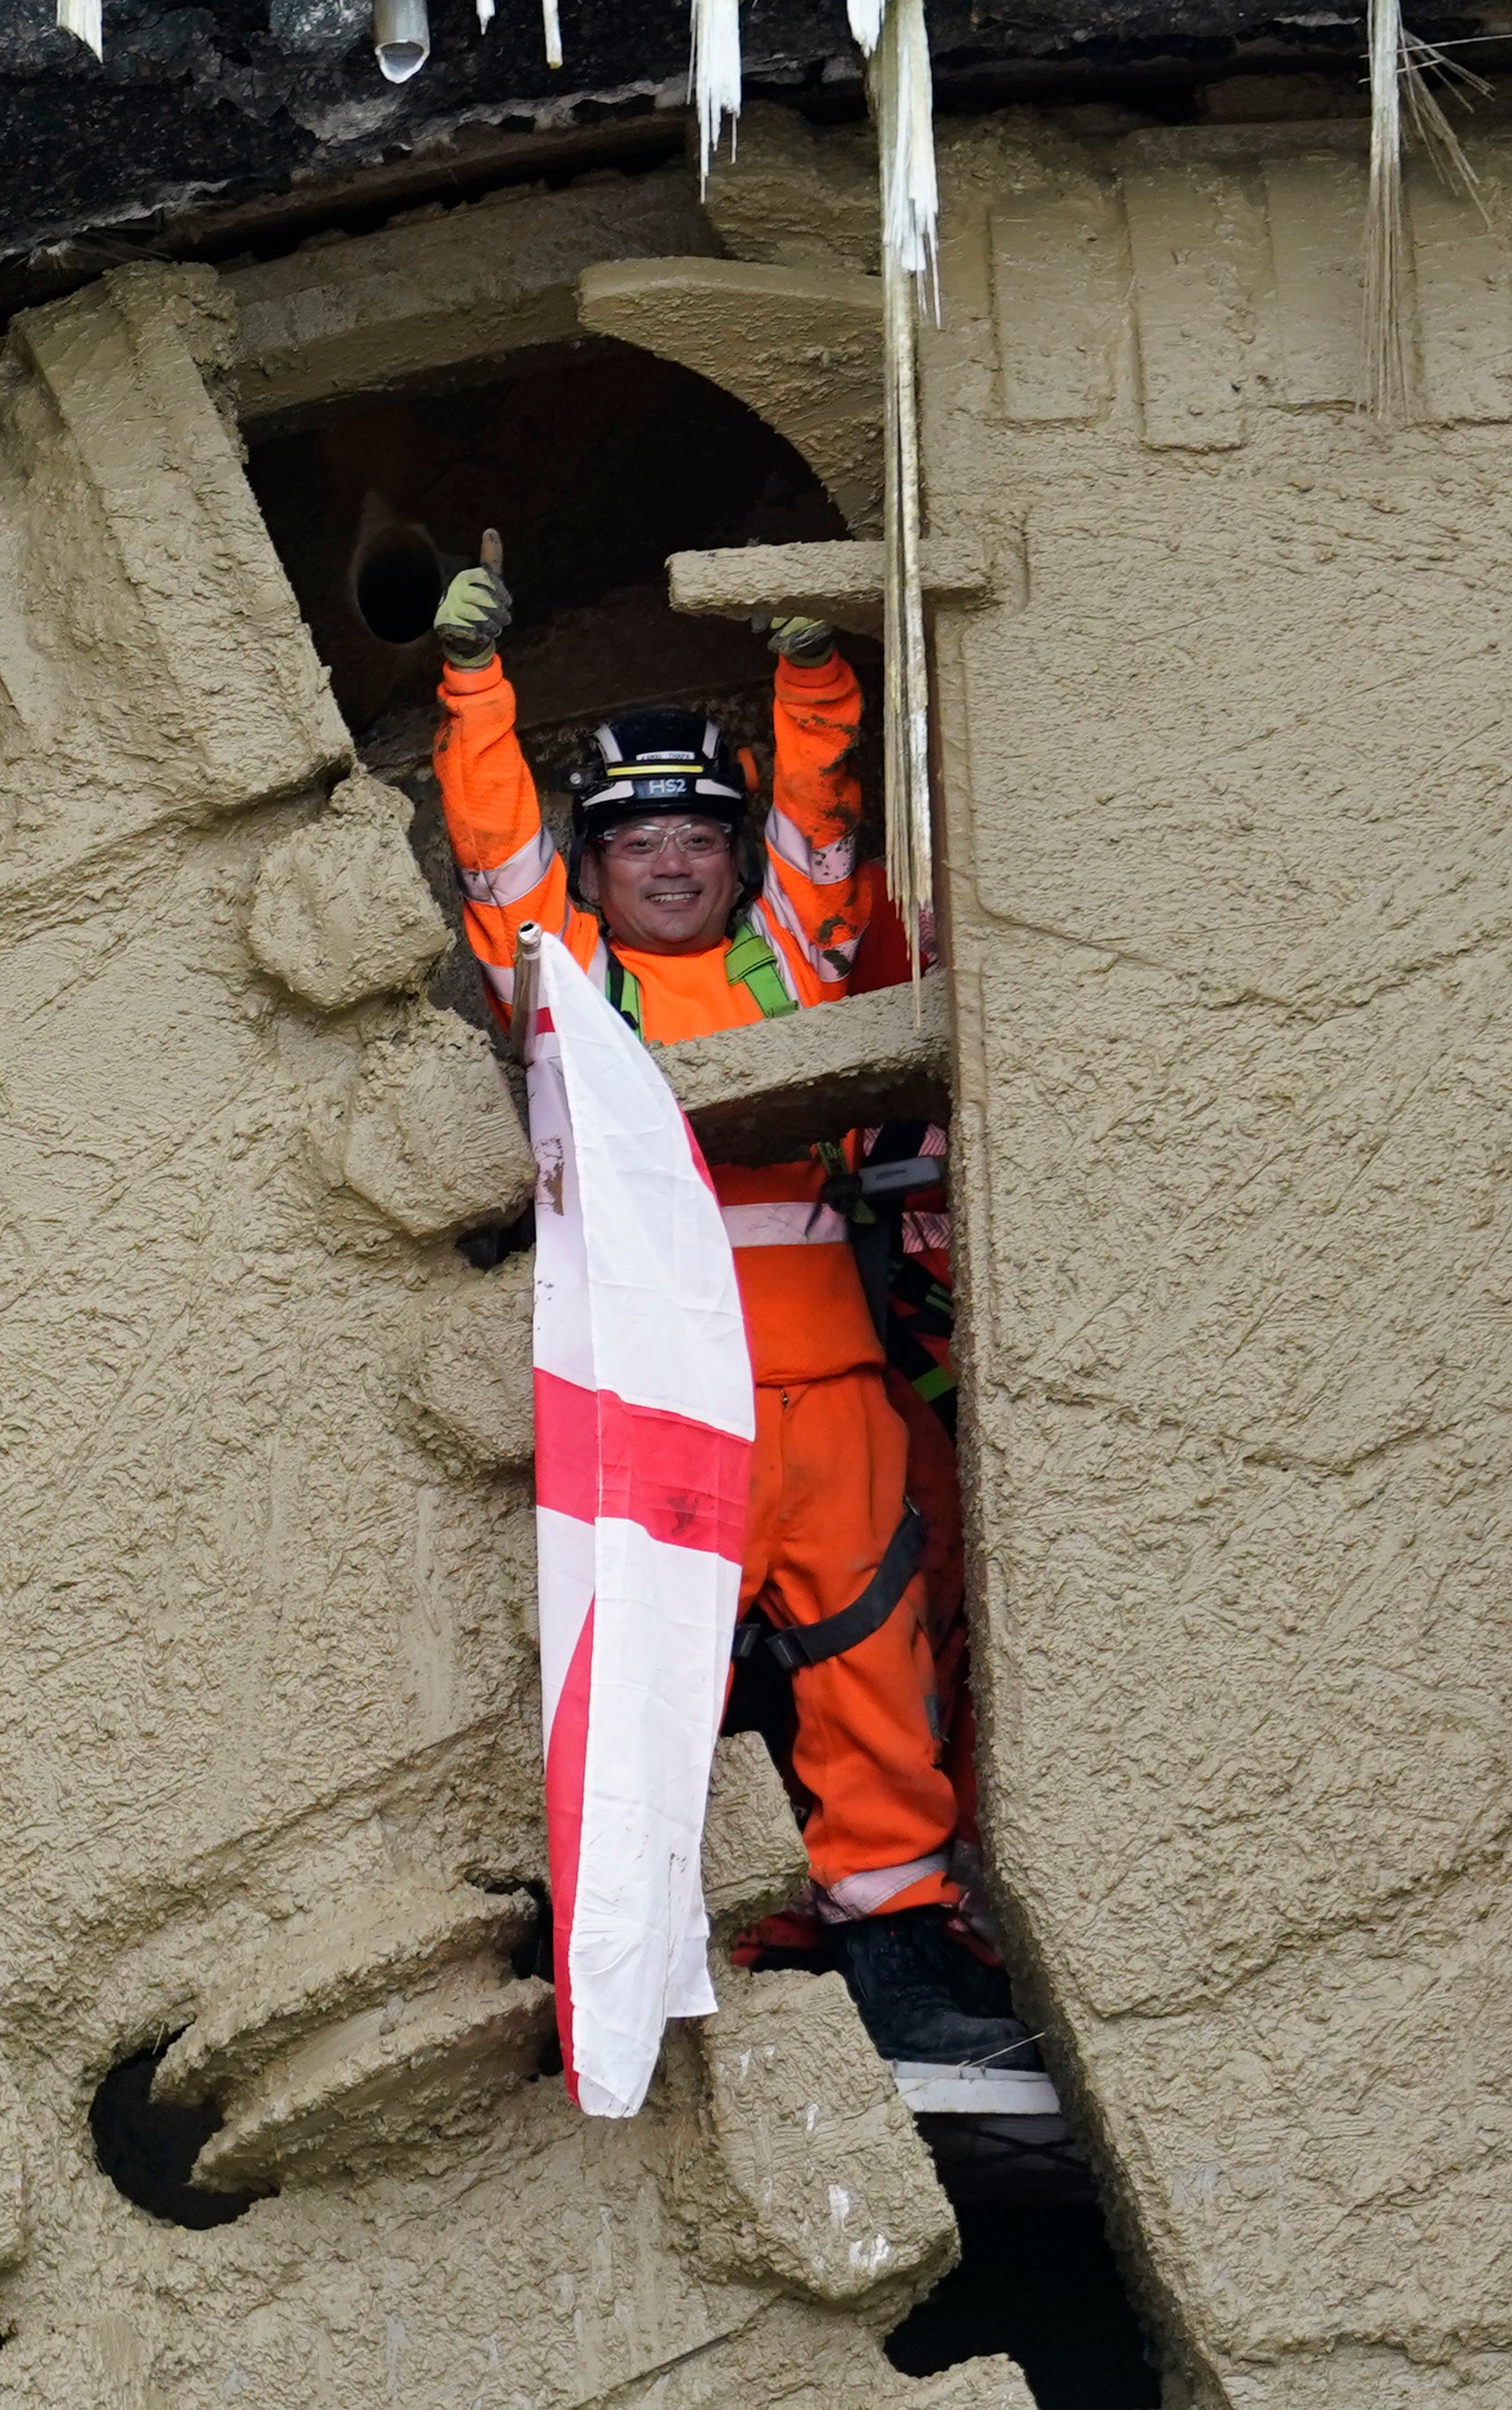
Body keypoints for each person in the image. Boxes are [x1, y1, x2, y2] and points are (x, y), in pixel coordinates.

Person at [424, 550, 1020, 2068]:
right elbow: (494, 853)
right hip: (656, 1414)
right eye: (639, 837)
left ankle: (897, 1956)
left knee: (875, 1677)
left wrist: (811, 679)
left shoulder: (798, 955)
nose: (673, 858)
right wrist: (474, 691)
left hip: (830, 1397)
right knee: (663, 1698)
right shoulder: (562, 981)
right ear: (597, 858)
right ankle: (696, 1963)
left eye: (699, 828)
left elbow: (823, 821)